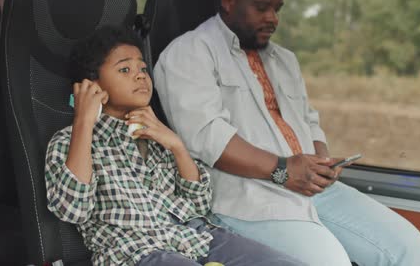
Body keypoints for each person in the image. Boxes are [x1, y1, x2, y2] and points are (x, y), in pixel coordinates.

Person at [154, 0, 420, 266]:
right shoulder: (188, 53)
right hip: (246, 198)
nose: (273, 18)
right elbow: (206, 138)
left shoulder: (284, 59)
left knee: (408, 245)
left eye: (277, 9)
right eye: (261, 8)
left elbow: (309, 121)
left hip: (309, 187)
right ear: (229, 2)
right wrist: (284, 169)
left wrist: (322, 163)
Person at [44, 26, 304, 266]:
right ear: (93, 85)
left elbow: (199, 205)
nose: (140, 76)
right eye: (125, 70)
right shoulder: (70, 140)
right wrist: (84, 120)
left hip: (196, 238)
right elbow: (73, 210)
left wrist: (176, 146)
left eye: (143, 69)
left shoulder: (157, 135)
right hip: (135, 252)